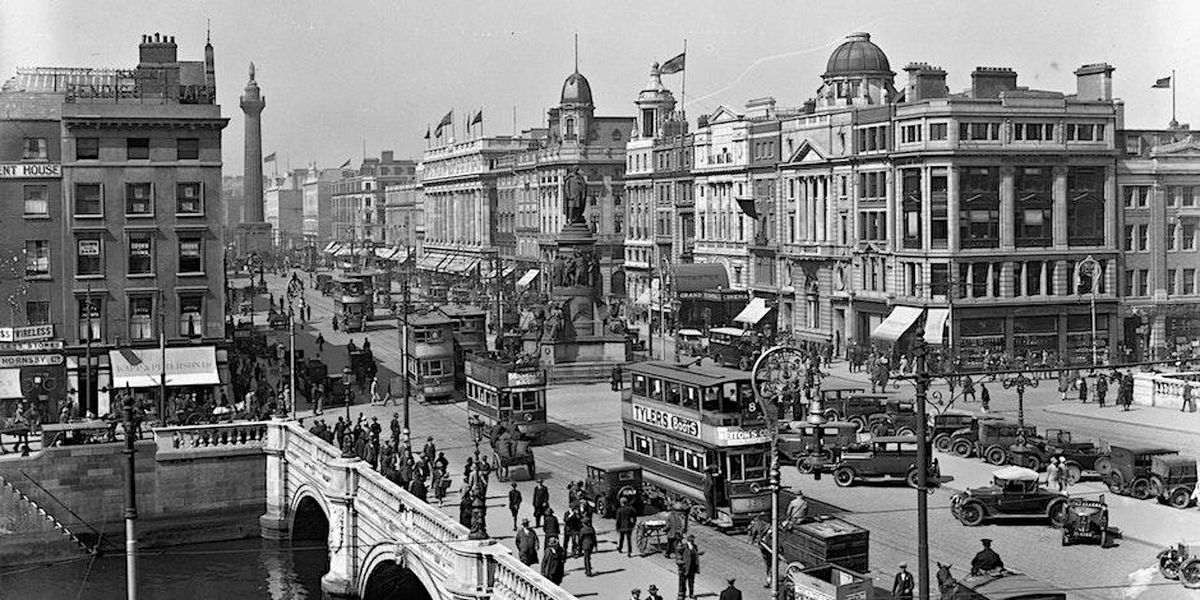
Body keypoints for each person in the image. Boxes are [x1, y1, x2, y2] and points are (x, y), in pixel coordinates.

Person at [747, 514, 773, 589]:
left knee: (768, 563)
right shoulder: (766, 524)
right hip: (769, 539)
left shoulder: (755, 524)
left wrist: (751, 540)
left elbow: (753, 532)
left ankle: (769, 579)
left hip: (766, 545)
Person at [676, 534, 701, 600]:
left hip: (692, 567)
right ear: (688, 540)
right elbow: (678, 554)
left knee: (691, 581)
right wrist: (680, 562)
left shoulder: (694, 546)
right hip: (685, 566)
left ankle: (691, 594)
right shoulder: (684, 546)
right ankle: (683, 593)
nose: (692, 541)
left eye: (693, 539)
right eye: (691, 540)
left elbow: (695, 555)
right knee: (683, 582)